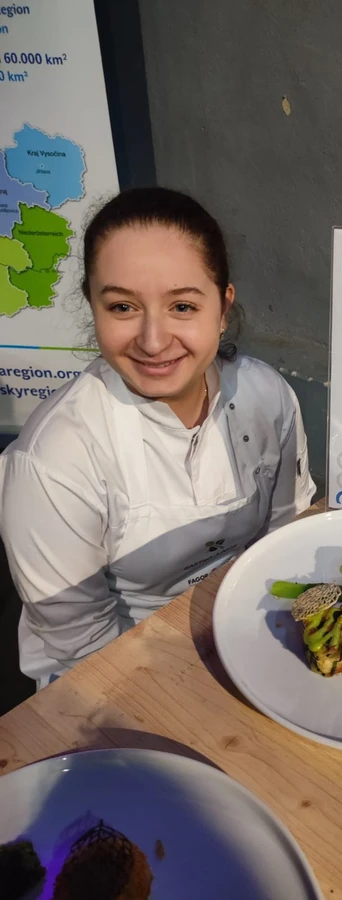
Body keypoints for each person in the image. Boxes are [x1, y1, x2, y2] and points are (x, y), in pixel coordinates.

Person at [0, 187, 315, 689]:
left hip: (245, 627)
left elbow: (285, 536)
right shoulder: (52, 461)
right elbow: (82, 643)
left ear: (223, 308)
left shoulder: (266, 397)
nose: (152, 341)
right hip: (113, 672)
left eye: (183, 306)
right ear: (93, 306)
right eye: (123, 306)